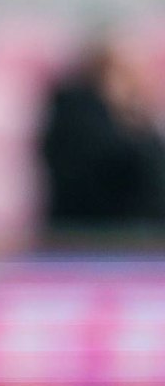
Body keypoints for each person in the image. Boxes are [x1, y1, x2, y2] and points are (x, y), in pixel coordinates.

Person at [38, 37, 165, 238]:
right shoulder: (76, 112)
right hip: (88, 239)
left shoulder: (123, 117)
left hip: (126, 240)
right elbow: (117, 165)